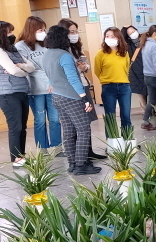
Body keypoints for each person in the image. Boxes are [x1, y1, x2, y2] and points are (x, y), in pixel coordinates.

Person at [43, 25, 101, 176]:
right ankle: (81, 164)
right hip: (71, 97)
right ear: (63, 38)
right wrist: (84, 98)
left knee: (68, 131)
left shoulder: (47, 54)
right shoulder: (64, 55)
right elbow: (73, 79)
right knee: (83, 129)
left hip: (57, 96)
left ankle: (72, 163)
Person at [58, 18, 105, 160]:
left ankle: (88, 151)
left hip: (83, 84)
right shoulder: (60, 50)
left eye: (76, 31)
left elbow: (86, 64)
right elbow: (65, 71)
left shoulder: (76, 47)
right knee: (76, 124)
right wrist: (77, 69)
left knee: (86, 120)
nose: (75, 34)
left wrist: (84, 67)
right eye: (71, 32)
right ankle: (79, 156)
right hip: (72, 89)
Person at [15, 16, 63, 155]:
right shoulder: (20, 46)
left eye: (44, 29)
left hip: (52, 87)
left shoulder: (46, 44)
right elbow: (28, 68)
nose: (43, 32)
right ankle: (42, 149)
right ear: (32, 30)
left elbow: (53, 64)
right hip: (34, 89)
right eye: (40, 29)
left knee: (55, 118)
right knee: (40, 120)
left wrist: (52, 81)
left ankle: (57, 147)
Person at [0, 21, 34, 167]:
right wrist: (21, 70)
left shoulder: (13, 49)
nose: (11, 35)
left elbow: (31, 67)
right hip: (7, 93)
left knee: (22, 126)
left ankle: (21, 156)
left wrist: (20, 67)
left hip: (21, 91)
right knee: (16, 126)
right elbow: (13, 71)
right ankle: (16, 159)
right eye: (8, 32)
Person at [94, 27, 131, 134]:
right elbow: (97, 70)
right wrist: (106, 79)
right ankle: (112, 144)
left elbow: (126, 68)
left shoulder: (124, 52)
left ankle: (128, 141)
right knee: (110, 117)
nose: (110, 38)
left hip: (124, 86)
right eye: (107, 36)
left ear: (119, 38)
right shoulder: (100, 53)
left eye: (113, 36)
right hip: (108, 87)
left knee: (126, 116)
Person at [122, 26, 147, 109]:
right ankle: (147, 115)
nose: (133, 34)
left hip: (147, 72)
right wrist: (124, 28)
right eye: (130, 33)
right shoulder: (128, 45)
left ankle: (153, 112)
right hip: (135, 74)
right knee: (142, 98)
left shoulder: (145, 41)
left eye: (133, 31)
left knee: (151, 95)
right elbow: (122, 38)